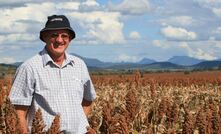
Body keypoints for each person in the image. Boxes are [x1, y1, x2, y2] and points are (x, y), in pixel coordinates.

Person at [9, 15, 96, 133]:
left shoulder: (79, 65)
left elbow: (88, 99)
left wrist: (80, 123)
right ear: (45, 37)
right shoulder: (29, 68)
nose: (59, 40)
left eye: (64, 36)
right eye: (54, 35)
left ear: (70, 39)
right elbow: (18, 111)